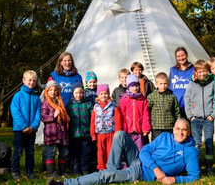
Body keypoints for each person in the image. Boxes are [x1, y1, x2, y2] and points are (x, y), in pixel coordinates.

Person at [48, 119, 200, 185]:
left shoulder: (190, 152)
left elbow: (194, 176)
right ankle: (111, 171)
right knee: (120, 134)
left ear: (188, 132)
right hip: (140, 161)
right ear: (173, 129)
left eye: (184, 130)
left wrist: (175, 180)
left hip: (141, 173)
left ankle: (66, 183)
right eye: (178, 129)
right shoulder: (165, 136)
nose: (180, 132)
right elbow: (145, 151)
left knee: (106, 175)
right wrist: (156, 168)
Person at [184, 60, 215, 176]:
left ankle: (208, 167)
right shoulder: (192, 84)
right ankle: (196, 167)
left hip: (208, 118)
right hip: (195, 118)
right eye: (199, 71)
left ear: (207, 71)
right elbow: (187, 99)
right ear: (195, 72)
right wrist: (190, 116)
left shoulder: (212, 83)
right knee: (197, 143)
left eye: (204, 71)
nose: (202, 74)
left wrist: (213, 115)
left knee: (209, 143)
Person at [10, 70, 41, 180]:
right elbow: (15, 112)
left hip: (31, 130)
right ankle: (14, 171)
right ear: (23, 81)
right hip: (20, 129)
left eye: (34, 81)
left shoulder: (36, 98)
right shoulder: (18, 96)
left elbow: (38, 114)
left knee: (30, 152)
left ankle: (30, 172)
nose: (32, 82)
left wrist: (33, 127)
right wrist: (24, 126)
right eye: (29, 80)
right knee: (18, 151)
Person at [41, 81, 70, 178]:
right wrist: (53, 116)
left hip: (61, 133)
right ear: (47, 91)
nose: (53, 92)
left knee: (64, 152)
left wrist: (66, 117)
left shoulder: (60, 103)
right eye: (51, 90)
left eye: (55, 90)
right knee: (51, 152)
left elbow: (63, 114)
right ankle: (51, 172)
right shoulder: (45, 103)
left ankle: (62, 170)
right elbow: (43, 117)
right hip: (51, 133)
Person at [90, 84, 123, 170]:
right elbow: (93, 121)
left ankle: (111, 167)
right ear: (98, 95)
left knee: (110, 151)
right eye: (101, 94)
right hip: (100, 134)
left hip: (111, 133)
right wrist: (93, 134)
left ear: (108, 94)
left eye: (105, 93)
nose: (103, 96)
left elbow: (118, 120)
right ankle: (101, 168)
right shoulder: (96, 108)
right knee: (101, 152)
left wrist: (117, 133)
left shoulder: (113, 106)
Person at [66, 82, 94, 175]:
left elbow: (93, 116)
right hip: (74, 134)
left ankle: (85, 168)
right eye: (76, 93)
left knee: (86, 152)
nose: (79, 95)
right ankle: (76, 169)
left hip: (86, 133)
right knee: (75, 153)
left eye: (81, 93)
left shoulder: (88, 104)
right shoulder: (70, 105)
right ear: (73, 93)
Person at [119, 74, 151, 151]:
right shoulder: (124, 99)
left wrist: (145, 128)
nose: (135, 88)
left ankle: (139, 162)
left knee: (139, 148)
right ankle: (128, 162)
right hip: (128, 130)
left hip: (138, 130)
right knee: (128, 149)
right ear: (128, 87)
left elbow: (146, 115)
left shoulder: (142, 100)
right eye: (132, 86)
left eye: (137, 86)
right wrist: (123, 128)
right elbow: (122, 115)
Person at [147, 72, 180, 141]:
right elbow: (147, 112)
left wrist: (177, 124)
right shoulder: (151, 96)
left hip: (170, 126)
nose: (163, 86)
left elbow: (177, 111)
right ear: (156, 84)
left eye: (165, 84)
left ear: (168, 83)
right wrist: (149, 124)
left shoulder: (172, 96)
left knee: (169, 143)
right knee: (157, 144)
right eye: (161, 84)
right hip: (156, 127)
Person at [169, 47, 194, 118]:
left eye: (182, 55)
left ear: (186, 55)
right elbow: (169, 87)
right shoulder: (173, 70)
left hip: (189, 106)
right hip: (175, 106)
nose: (181, 58)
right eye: (178, 56)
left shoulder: (193, 69)